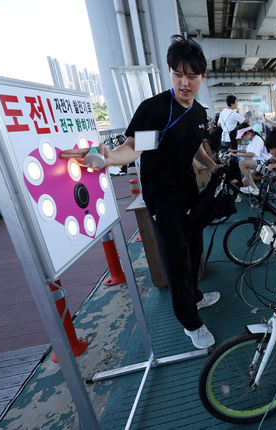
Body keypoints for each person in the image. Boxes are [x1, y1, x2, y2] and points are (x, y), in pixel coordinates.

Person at [60, 35, 221, 349]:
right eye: (177, 74)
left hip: (189, 191)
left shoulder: (200, 114)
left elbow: (196, 148)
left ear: (203, 77)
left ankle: (195, 297)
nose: (184, 82)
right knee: (176, 259)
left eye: (191, 76)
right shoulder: (157, 110)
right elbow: (133, 148)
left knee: (194, 249)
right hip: (163, 197)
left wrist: (211, 164)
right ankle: (189, 321)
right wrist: (109, 158)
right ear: (170, 74)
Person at [228, 123, 271, 194]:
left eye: (242, 136)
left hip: (265, 165)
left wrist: (236, 155)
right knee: (245, 181)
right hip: (261, 163)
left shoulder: (257, 140)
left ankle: (254, 188)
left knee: (242, 164)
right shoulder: (253, 139)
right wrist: (235, 151)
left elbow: (252, 154)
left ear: (248, 133)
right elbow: (247, 150)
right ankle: (256, 196)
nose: (241, 138)